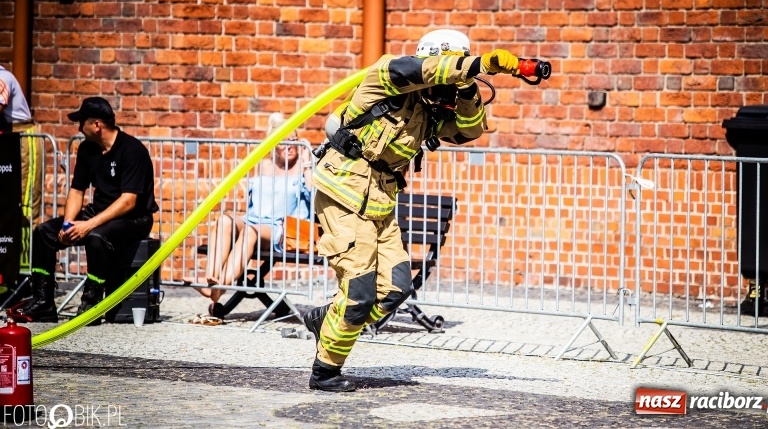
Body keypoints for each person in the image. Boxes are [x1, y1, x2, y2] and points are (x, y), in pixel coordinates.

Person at [302, 29, 520, 391]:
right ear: (437, 60)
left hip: (381, 199)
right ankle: (325, 371)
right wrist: (477, 64)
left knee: (395, 288)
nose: (449, 87)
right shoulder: (387, 77)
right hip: (343, 190)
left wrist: (467, 87)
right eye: (452, 73)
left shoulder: (429, 112)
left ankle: (327, 320)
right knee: (359, 293)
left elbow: (469, 131)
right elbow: (414, 70)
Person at [16, 96, 158, 323]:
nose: (78, 128)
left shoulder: (132, 151)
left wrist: (89, 225)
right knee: (44, 232)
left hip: (135, 218)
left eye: (81, 122)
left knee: (95, 236)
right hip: (101, 213)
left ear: (97, 125)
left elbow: (129, 201)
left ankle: (91, 303)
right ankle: (43, 303)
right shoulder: (87, 150)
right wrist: (68, 224)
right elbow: (77, 190)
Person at [184, 113, 314, 318]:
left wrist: (307, 162)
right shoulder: (264, 166)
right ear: (273, 145)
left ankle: (217, 290)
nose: (289, 146)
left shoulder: (303, 167)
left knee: (250, 232)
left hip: (282, 228)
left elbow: (315, 194)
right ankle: (211, 279)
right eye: (283, 142)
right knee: (224, 220)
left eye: (293, 141)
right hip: (255, 220)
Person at [0, 65, 41, 294]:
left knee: (24, 208)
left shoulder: (1, 78)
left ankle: (23, 280)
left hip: (22, 142)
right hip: (7, 144)